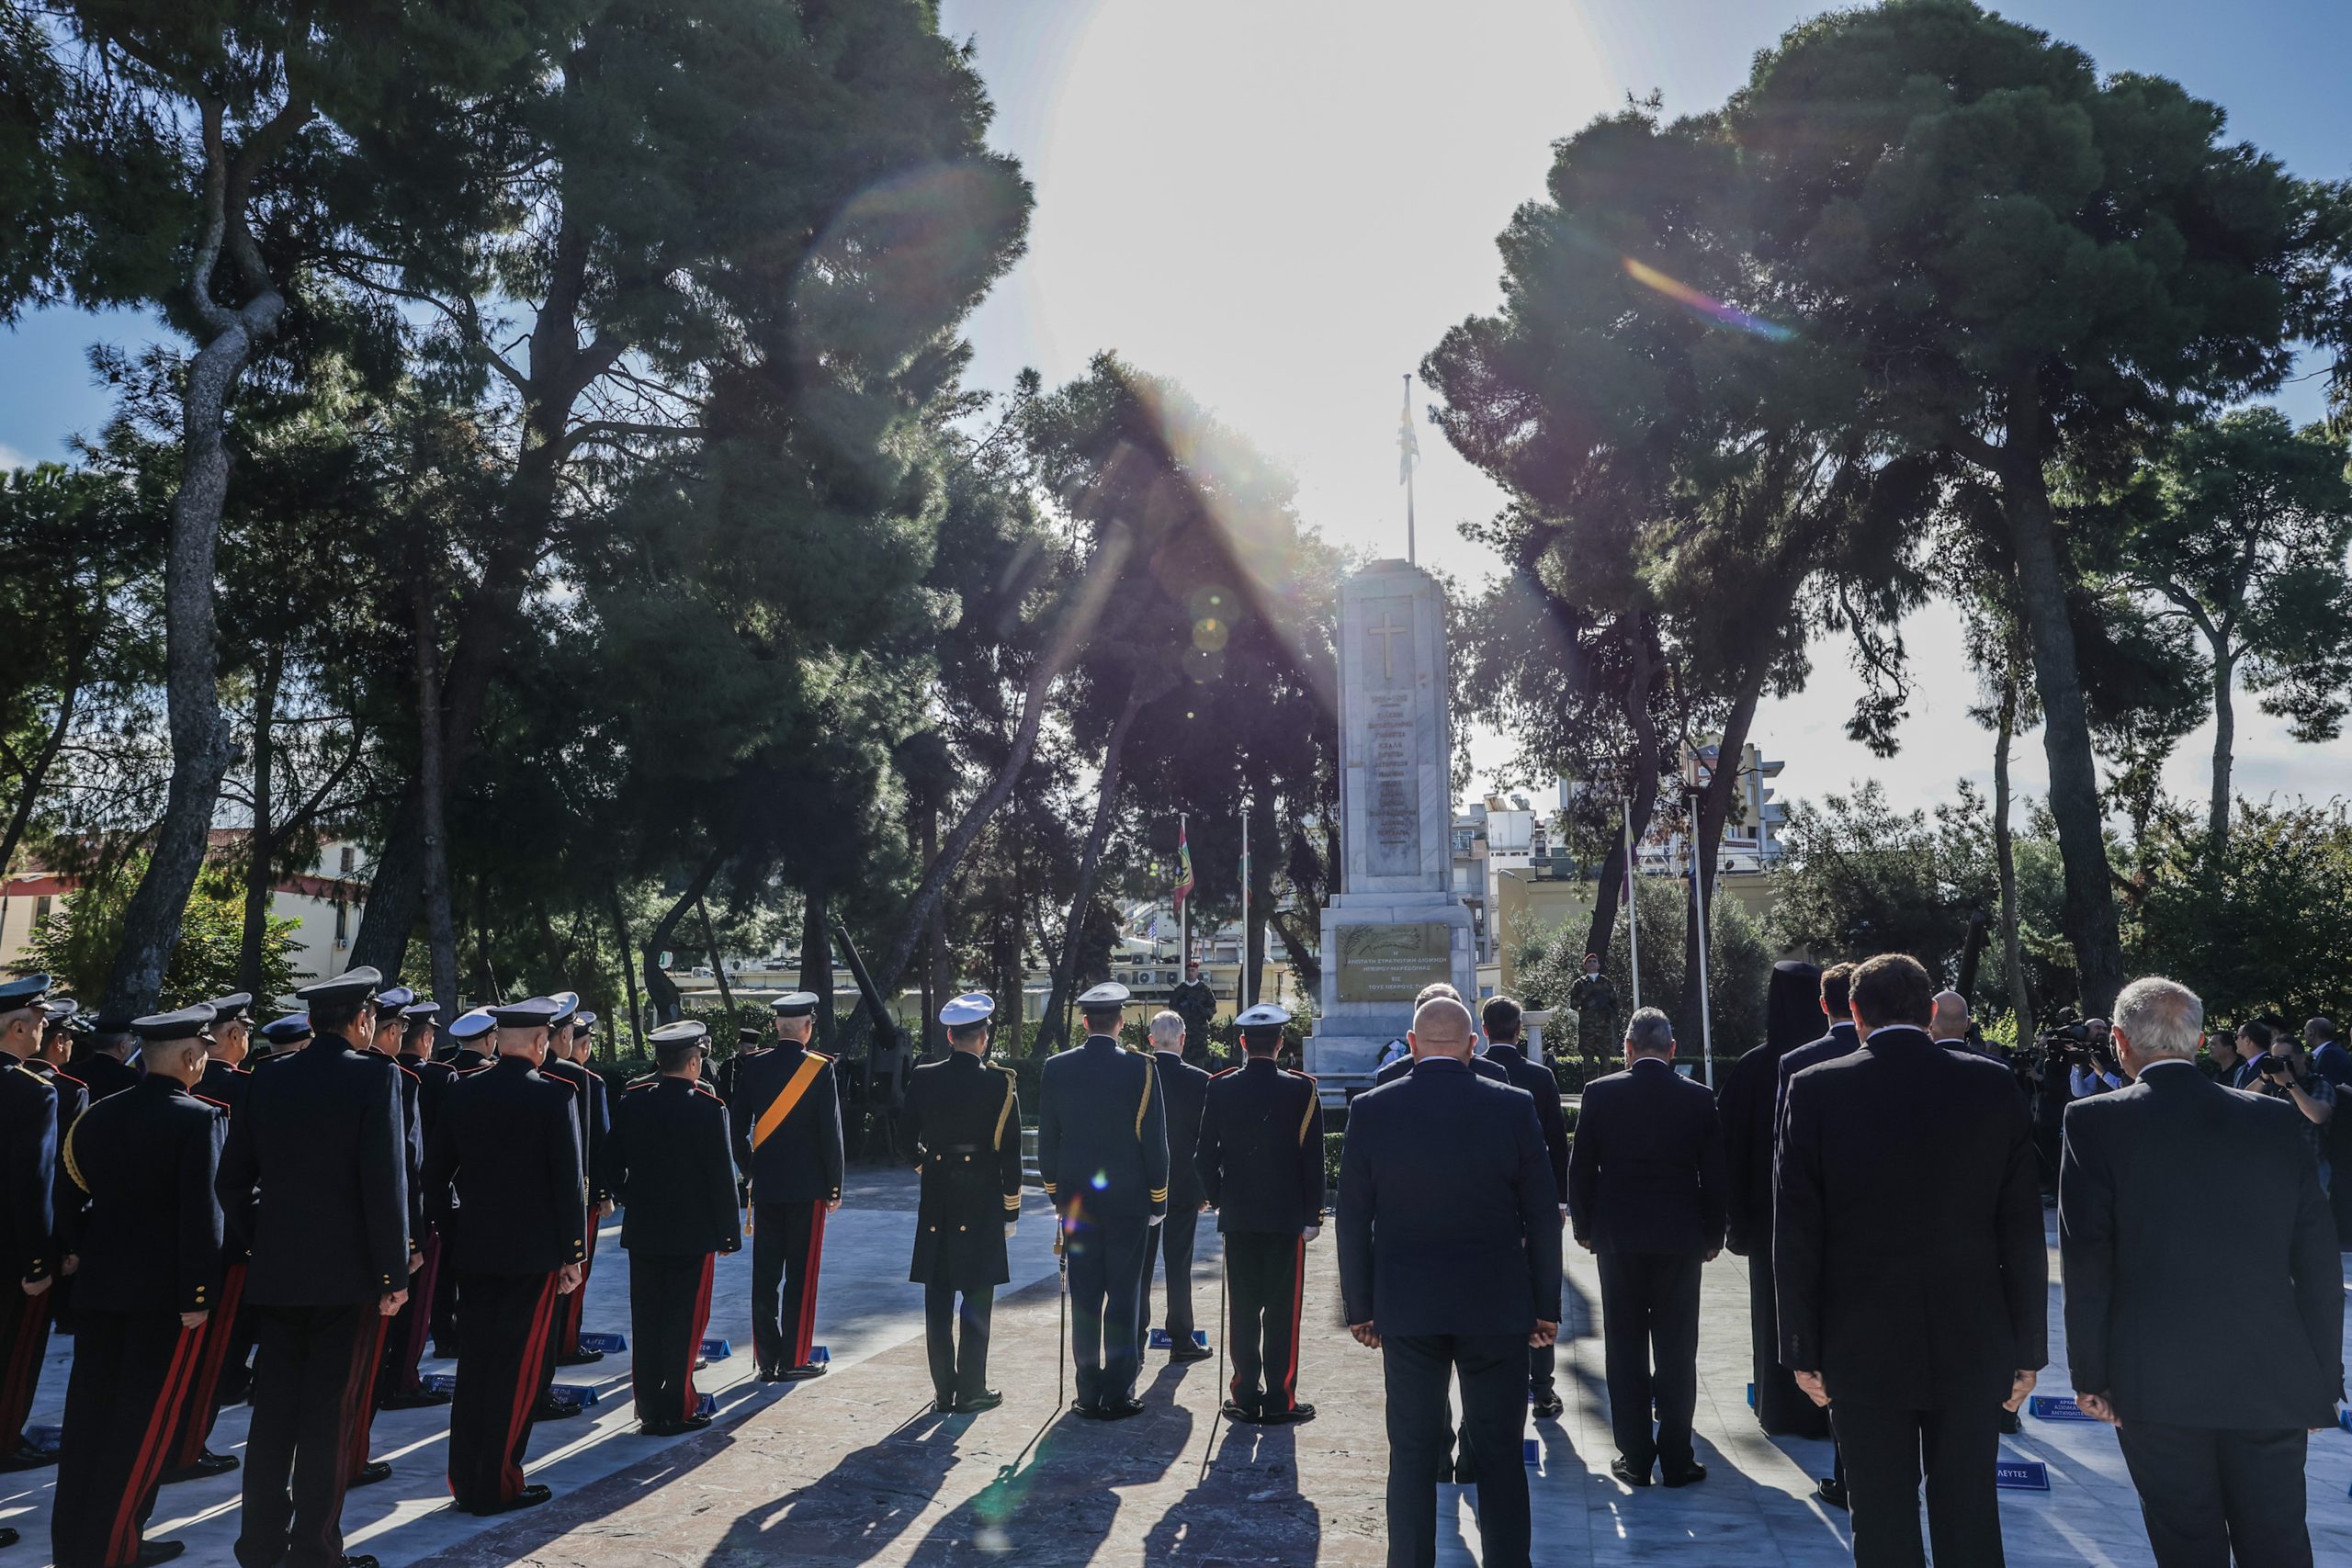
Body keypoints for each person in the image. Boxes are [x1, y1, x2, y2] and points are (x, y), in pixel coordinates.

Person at [2060, 976, 2342, 1568]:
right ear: (2199, 1040)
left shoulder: (2094, 1120)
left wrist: (2091, 1373)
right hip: (2271, 1372)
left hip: (2153, 1376)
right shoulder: (2270, 1118)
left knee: (2187, 1546)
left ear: (2119, 1042)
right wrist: (2322, 1379)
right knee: (2278, 1543)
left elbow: (2089, 1259)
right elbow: (2316, 1260)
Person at [1776, 953, 2046, 1568]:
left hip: (1858, 1340)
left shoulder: (1815, 1087)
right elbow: (2021, 1227)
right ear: (1929, 1013)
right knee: (1971, 1512)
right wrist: (2028, 1348)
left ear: (1855, 1013)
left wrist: (1802, 1348)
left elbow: (1796, 1232)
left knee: (1880, 1516)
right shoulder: (1989, 1082)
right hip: (1974, 1337)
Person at [1339, 996, 1559, 1568]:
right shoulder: (1513, 1106)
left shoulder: (1371, 1109)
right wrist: (1546, 1306)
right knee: (1500, 1454)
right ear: (1472, 1046)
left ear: (1412, 1046)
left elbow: (1353, 1217)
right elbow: (1541, 1214)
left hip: (1409, 1308)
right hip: (1497, 1307)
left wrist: (1360, 1307)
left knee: (1410, 1456)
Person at [218, 965, 411, 1568]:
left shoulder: (267, 1078)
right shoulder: (377, 1077)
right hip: (346, 1277)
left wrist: (261, 1239)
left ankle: (259, 1544)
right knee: (329, 1417)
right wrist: (392, 1274)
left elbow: (230, 1183)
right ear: (360, 1020)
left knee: (273, 1415)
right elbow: (385, 1186)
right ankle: (315, 1550)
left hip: (278, 1272)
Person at [51, 1003, 225, 1568]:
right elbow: (203, 1217)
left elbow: (69, 1193)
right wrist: (199, 1295)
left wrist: (80, 1249)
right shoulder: (198, 1119)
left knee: (89, 1420)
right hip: (162, 1298)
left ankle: (75, 1541)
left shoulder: (99, 1115)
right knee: (143, 1424)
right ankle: (114, 1544)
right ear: (191, 1055)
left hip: (101, 1289)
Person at [422, 995, 586, 1516]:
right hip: (532, 1256)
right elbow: (568, 1187)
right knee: (517, 1371)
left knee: (477, 1366)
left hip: (474, 1251)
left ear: (497, 1040)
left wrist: (454, 1231)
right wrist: (572, 1253)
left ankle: (466, 1478)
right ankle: (496, 1483)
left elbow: (435, 1175)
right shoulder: (555, 1097)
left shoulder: (463, 1092)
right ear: (541, 1042)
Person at [1570, 1007, 1724, 1487]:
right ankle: (1677, 1458)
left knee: (1626, 1346)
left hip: (1619, 1238)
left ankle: (1635, 1457)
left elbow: (1581, 1168)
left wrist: (1583, 1227)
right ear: (1673, 1050)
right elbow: (1714, 1176)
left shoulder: (1600, 1093)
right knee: (1678, 1349)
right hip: (1680, 1240)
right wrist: (1713, 1234)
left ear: (1628, 1049)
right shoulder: (1698, 1098)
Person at [1036, 981, 1169, 1419]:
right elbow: (1155, 1142)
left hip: (1076, 1201)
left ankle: (1088, 1390)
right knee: (1125, 1294)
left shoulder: (1056, 1068)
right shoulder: (1140, 1069)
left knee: (1086, 1295)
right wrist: (1158, 1199)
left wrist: (1056, 1193)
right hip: (1129, 1200)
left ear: (1084, 1021)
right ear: (1122, 1021)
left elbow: (1048, 1141)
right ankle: (1118, 1391)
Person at [1194, 1001, 1325, 1425]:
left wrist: (1219, 1198)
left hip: (1240, 1217)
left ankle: (1245, 1395)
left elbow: (1202, 1158)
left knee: (1244, 1309)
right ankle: (1282, 1398)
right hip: (1286, 1220)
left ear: (1244, 1043)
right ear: (1281, 1043)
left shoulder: (1220, 1087)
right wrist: (1313, 1216)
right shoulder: (1303, 1089)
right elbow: (1313, 1160)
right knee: (1283, 1312)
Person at [609, 1021, 740, 1436]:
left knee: (647, 1319)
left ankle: (648, 1405)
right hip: (692, 1233)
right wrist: (728, 1235)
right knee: (684, 1321)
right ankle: (678, 1407)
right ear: (695, 1062)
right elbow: (722, 1176)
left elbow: (609, 1165)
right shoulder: (707, 1107)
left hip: (644, 1230)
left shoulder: (633, 1101)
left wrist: (633, 1196)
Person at [1719, 960, 1828, 1442]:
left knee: (1774, 1315)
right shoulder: (1839, 1060)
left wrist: (1735, 1222)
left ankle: (1780, 1409)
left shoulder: (1754, 1067)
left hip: (1770, 1220)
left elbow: (1730, 1150)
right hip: (1833, 1220)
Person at [903, 993, 1024, 1414]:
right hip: (982, 1196)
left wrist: (929, 1167)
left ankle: (943, 1390)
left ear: (951, 1035)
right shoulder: (999, 1082)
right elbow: (1010, 1153)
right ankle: (972, 1388)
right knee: (976, 1297)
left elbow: (905, 1141)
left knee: (937, 1297)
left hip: (938, 1194)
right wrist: (1011, 1209)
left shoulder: (923, 1077)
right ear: (984, 1038)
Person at [158, 993, 256, 1484]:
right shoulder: (248, 1091)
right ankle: (187, 1446)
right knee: (212, 1354)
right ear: (234, 1037)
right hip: (226, 1241)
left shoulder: (158, 1088)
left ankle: (170, 1441)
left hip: (166, 1245)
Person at [1771, 961, 1860, 1505]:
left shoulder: (1799, 1065)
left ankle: (1850, 1471)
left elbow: (1788, 1159)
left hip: (1822, 1237)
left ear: (1824, 1006)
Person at [730, 991, 843, 1382]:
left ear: (777, 1027)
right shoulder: (819, 1068)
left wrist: (751, 1168)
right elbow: (831, 1134)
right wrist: (834, 1186)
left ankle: (767, 1359)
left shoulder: (754, 1066)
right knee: (801, 1275)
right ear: (807, 1029)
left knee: (765, 1276)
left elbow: (735, 1127)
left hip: (766, 1187)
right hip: (808, 1188)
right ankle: (794, 1358)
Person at [1477, 996, 1568, 1417]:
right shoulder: (1540, 1076)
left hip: (1488, 1207)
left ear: (1483, 1030)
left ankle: (1499, 1385)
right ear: (1518, 1031)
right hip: (1534, 1204)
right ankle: (1543, 1389)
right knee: (1540, 1293)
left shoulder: (1472, 1073)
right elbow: (1556, 1144)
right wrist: (1560, 1202)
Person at [0, 975, 60, 1495]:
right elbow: (32, 1186)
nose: (43, 1030)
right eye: (39, 1023)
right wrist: (36, 1266)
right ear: (18, 1028)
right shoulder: (29, 1092)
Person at [533, 994, 604, 1375]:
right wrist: (591, 1197)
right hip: (566, 1203)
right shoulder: (573, 1077)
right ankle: (563, 1345)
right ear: (561, 1035)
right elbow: (583, 1149)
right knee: (564, 1286)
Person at [1140, 1010, 1212, 1364]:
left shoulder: (1138, 1075)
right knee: (1178, 1264)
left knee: (1139, 1265)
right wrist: (1205, 1190)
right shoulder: (1201, 1081)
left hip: (1141, 1187)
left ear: (1151, 1041)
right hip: (1183, 1187)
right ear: (1182, 1040)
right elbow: (1208, 1142)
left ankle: (1135, 1335)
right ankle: (1182, 1337)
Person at [2249, 1026, 2336, 1191]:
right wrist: (2263, 1078)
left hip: (2311, 1170)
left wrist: (2291, 1084)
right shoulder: (2273, 1085)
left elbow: (2318, 1115)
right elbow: (2242, 1100)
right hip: (2277, 1166)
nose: (2280, 1063)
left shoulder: (2318, 1084)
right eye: (2275, 1058)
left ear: (2302, 1058)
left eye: (2284, 1058)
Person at [71, 1018, 141, 1102]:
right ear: (122, 1046)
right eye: (132, 1042)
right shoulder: (130, 1077)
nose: (132, 1046)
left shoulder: (74, 1071)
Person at [1167, 958, 1218, 1068]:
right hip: (1183, 1029)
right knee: (1183, 1057)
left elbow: (1212, 1007)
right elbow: (1172, 1007)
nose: (1191, 973)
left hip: (1199, 1030)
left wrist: (1203, 1011)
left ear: (1197, 972)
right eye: (1189, 970)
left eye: (1193, 970)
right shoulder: (1180, 990)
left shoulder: (1204, 990)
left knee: (1199, 1060)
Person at [1567, 953, 1617, 1066]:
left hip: (1604, 1028)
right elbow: (1573, 1005)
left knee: (1606, 1061)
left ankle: (1606, 1084)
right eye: (1589, 962)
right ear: (1584, 966)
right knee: (1588, 1062)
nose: (1592, 963)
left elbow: (1615, 1003)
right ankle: (1589, 1084)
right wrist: (1585, 994)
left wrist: (1606, 1007)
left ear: (1599, 965)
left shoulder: (1606, 983)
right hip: (1587, 1029)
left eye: (1594, 961)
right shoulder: (1579, 984)